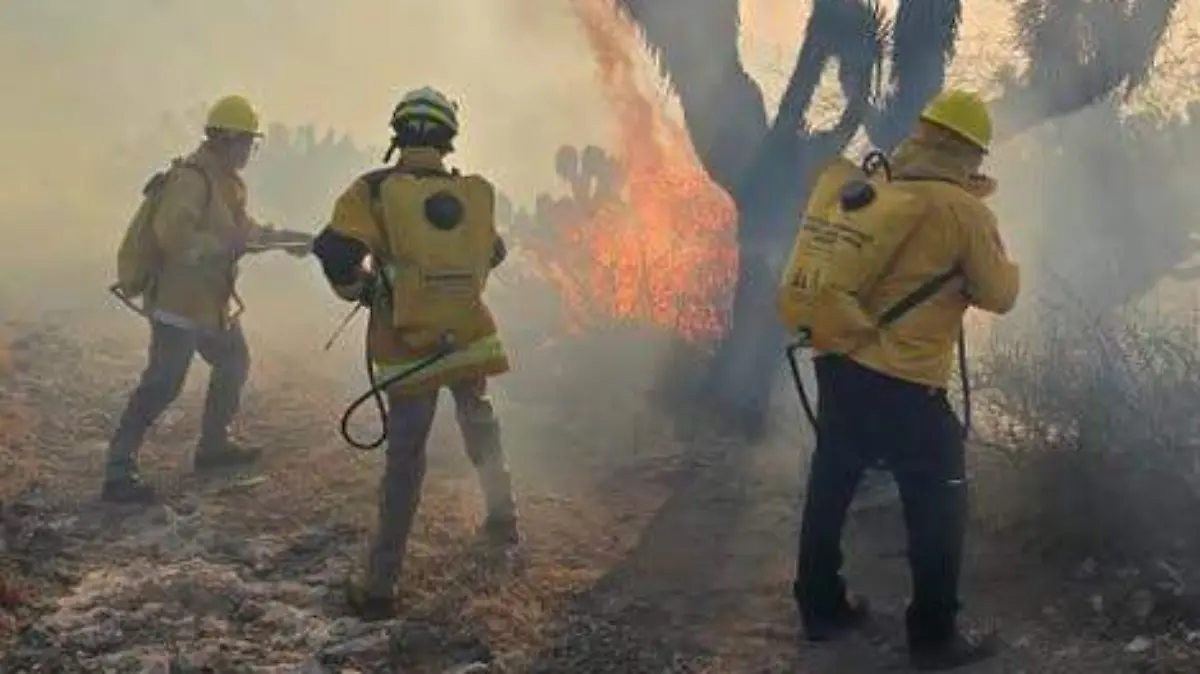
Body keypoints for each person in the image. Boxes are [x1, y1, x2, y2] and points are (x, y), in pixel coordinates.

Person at [784, 89, 1019, 670]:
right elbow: (1000, 294)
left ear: (923, 131)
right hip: (909, 382)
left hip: (840, 360)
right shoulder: (964, 211)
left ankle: (820, 606)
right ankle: (934, 638)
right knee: (940, 504)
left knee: (831, 484)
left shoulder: (883, 184)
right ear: (970, 151)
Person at [310, 86, 518, 621]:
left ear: (397, 134)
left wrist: (365, 291)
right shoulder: (471, 194)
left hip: (409, 349)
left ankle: (380, 585)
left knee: (406, 459)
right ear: (449, 138)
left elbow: (334, 250)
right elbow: (493, 251)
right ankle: (503, 517)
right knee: (479, 420)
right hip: (468, 339)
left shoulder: (374, 190)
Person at [102, 94, 312, 504]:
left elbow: (242, 230)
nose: (251, 149)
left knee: (234, 362)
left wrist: (288, 239)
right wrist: (222, 245)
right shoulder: (192, 179)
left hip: (210, 303)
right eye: (248, 141)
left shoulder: (226, 182)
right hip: (179, 306)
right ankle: (117, 469)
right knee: (162, 384)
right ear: (228, 139)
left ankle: (213, 446)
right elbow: (174, 236)